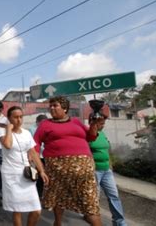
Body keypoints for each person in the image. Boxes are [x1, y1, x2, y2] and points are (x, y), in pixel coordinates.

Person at [33, 96, 102, 226]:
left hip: (84, 168)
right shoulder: (45, 124)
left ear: (65, 108)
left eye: (55, 105)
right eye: (51, 106)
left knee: (89, 199)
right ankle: (58, 223)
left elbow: (91, 136)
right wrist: (39, 168)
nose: (51, 108)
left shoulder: (76, 122)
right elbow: (34, 145)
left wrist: (94, 124)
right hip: (57, 167)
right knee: (59, 196)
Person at [0, 106, 48, 226]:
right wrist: (9, 130)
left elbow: (33, 153)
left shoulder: (26, 133)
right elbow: (8, 145)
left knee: (36, 210)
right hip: (11, 175)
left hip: (27, 174)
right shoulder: (2, 132)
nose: (19, 120)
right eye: (15, 117)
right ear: (9, 118)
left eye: (21, 117)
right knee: (17, 210)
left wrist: (41, 171)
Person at [89, 114, 127, 226]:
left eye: (103, 124)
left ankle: (119, 222)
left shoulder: (102, 133)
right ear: (93, 123)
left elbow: (107, 149)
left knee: (114, 196)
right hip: (95, 171)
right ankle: (94, 221)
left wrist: (110, 163)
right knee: (94, 198)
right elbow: (85, 151)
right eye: (101, 124)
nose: (103, 126)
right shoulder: (88, 135)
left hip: (106, 171)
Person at [28, 114, 48, 198]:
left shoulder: (47, 128)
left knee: (45, 175)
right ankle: (37, 195)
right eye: (41, 123)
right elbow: (31, 144)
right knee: (37, 176)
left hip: (46, 155)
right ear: (37, 122)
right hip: (36, 156)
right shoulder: (32, 129)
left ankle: (43, 195)